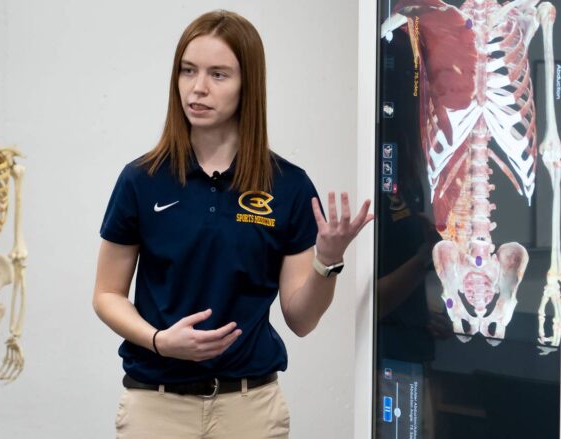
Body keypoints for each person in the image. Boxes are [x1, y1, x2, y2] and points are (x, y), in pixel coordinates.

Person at [92, 10, 372, 438]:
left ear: (248, 85)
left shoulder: (289, 186)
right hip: (156, 406)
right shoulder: (141, 179)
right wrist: (158, 340)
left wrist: (328, 261)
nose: (198, 88)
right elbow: (107, 294)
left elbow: (301, 318)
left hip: (250, 409)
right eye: (188, 71)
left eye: (218, 74)